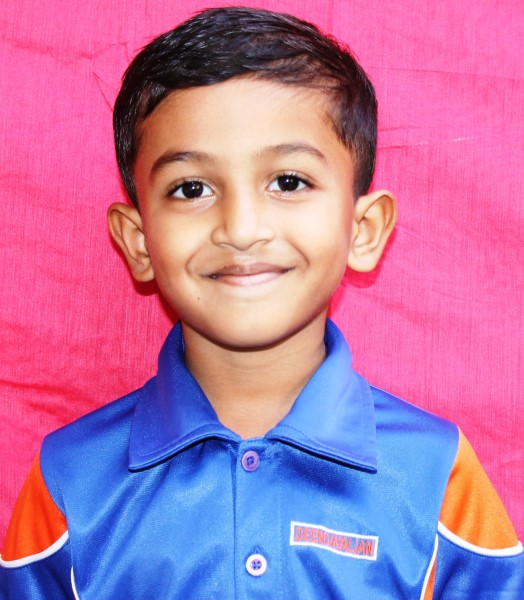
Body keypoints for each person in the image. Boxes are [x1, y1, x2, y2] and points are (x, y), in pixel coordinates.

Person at [0, 6, 522, 599]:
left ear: (364, 230)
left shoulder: (436, 473)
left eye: (288, 182)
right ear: (139, 243)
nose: (242, 228)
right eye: (191, 189)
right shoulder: (69, 481)